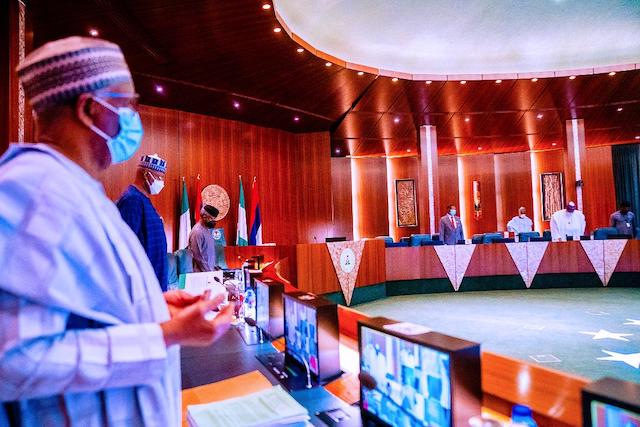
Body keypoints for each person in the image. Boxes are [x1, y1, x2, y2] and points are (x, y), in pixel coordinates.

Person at [0, 36, 233, 426]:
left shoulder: (78, 191)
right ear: (90, 109)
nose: (133, 118)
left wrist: (155, 309)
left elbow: (86, 313)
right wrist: (163, 336)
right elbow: (12, 359)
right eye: (126, 106)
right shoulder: (33, 189)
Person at [117, 153, 169, 291]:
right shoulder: (132, 200)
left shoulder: (143, 199)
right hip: (145, 287)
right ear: (147, 174)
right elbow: (125, 248)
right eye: (159, 178)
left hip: (155, 284)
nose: (162, 183)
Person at [189, 204, 220, 271]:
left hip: (209, 271)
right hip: (201, 274)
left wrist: (214, 268)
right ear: (204, 216)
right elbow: (197, 256)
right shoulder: (197, 232)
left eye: (214, 218)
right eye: (212, 218)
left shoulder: (206, 230)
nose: (214, 221)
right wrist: (208, 271)